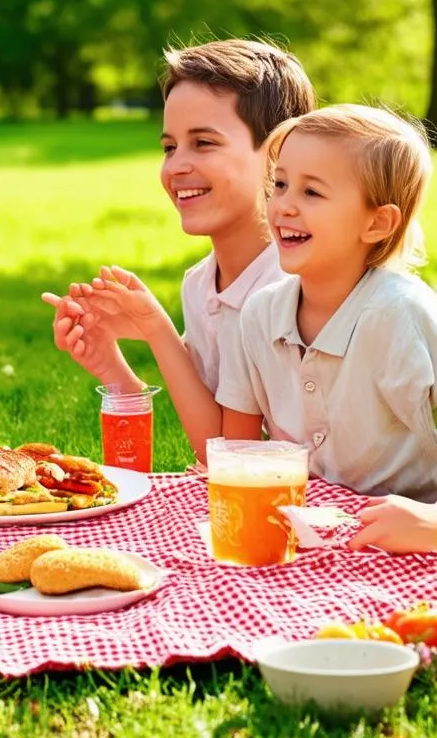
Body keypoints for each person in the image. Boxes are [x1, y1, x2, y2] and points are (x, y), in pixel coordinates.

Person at [42, 40, 315, 462]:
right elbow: (217, 448)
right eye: (169, 147)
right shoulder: (201, 285)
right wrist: (113, 367)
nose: (176, 166)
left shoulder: (298, 290)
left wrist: (157, 329)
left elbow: (243, 459)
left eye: (203, 143)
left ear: (280, 153)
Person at [215, 104, 437, 503]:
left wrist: (436, 524)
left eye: (311, 191)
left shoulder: (401, 316)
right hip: (315, 524)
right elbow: (237, 459)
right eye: (280, 185)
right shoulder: (259, 315)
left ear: (377, 223)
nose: (284, 206)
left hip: (421, 526)